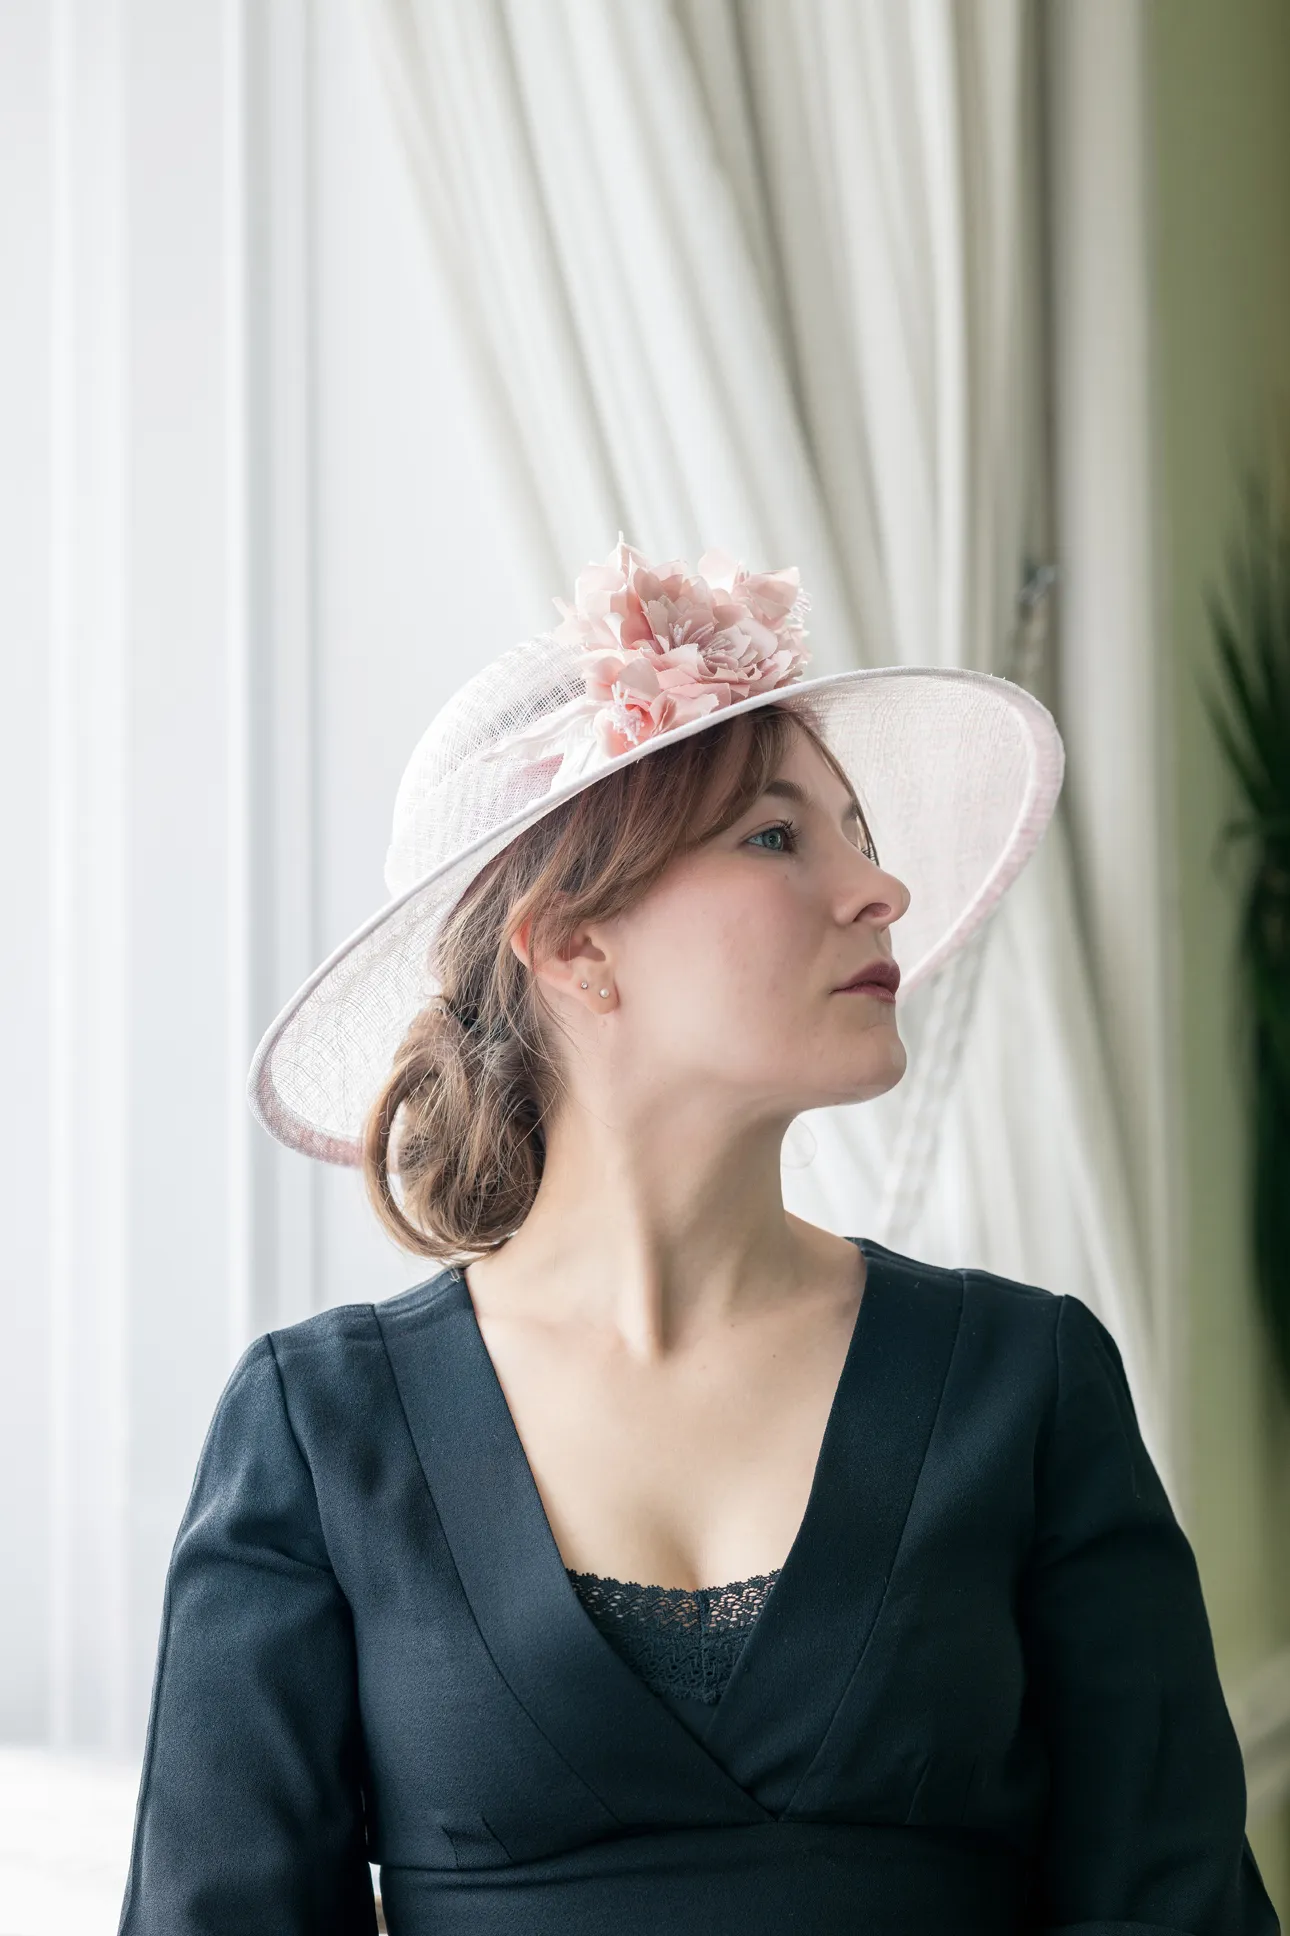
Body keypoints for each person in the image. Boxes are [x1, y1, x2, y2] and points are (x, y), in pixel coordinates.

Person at [118, 540, 1279, 1934]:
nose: (879, 891)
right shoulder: (318, 1433)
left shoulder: (1024, 1383)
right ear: (574, 945)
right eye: (779, 836)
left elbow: (1175, 1906)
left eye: (862, 833)